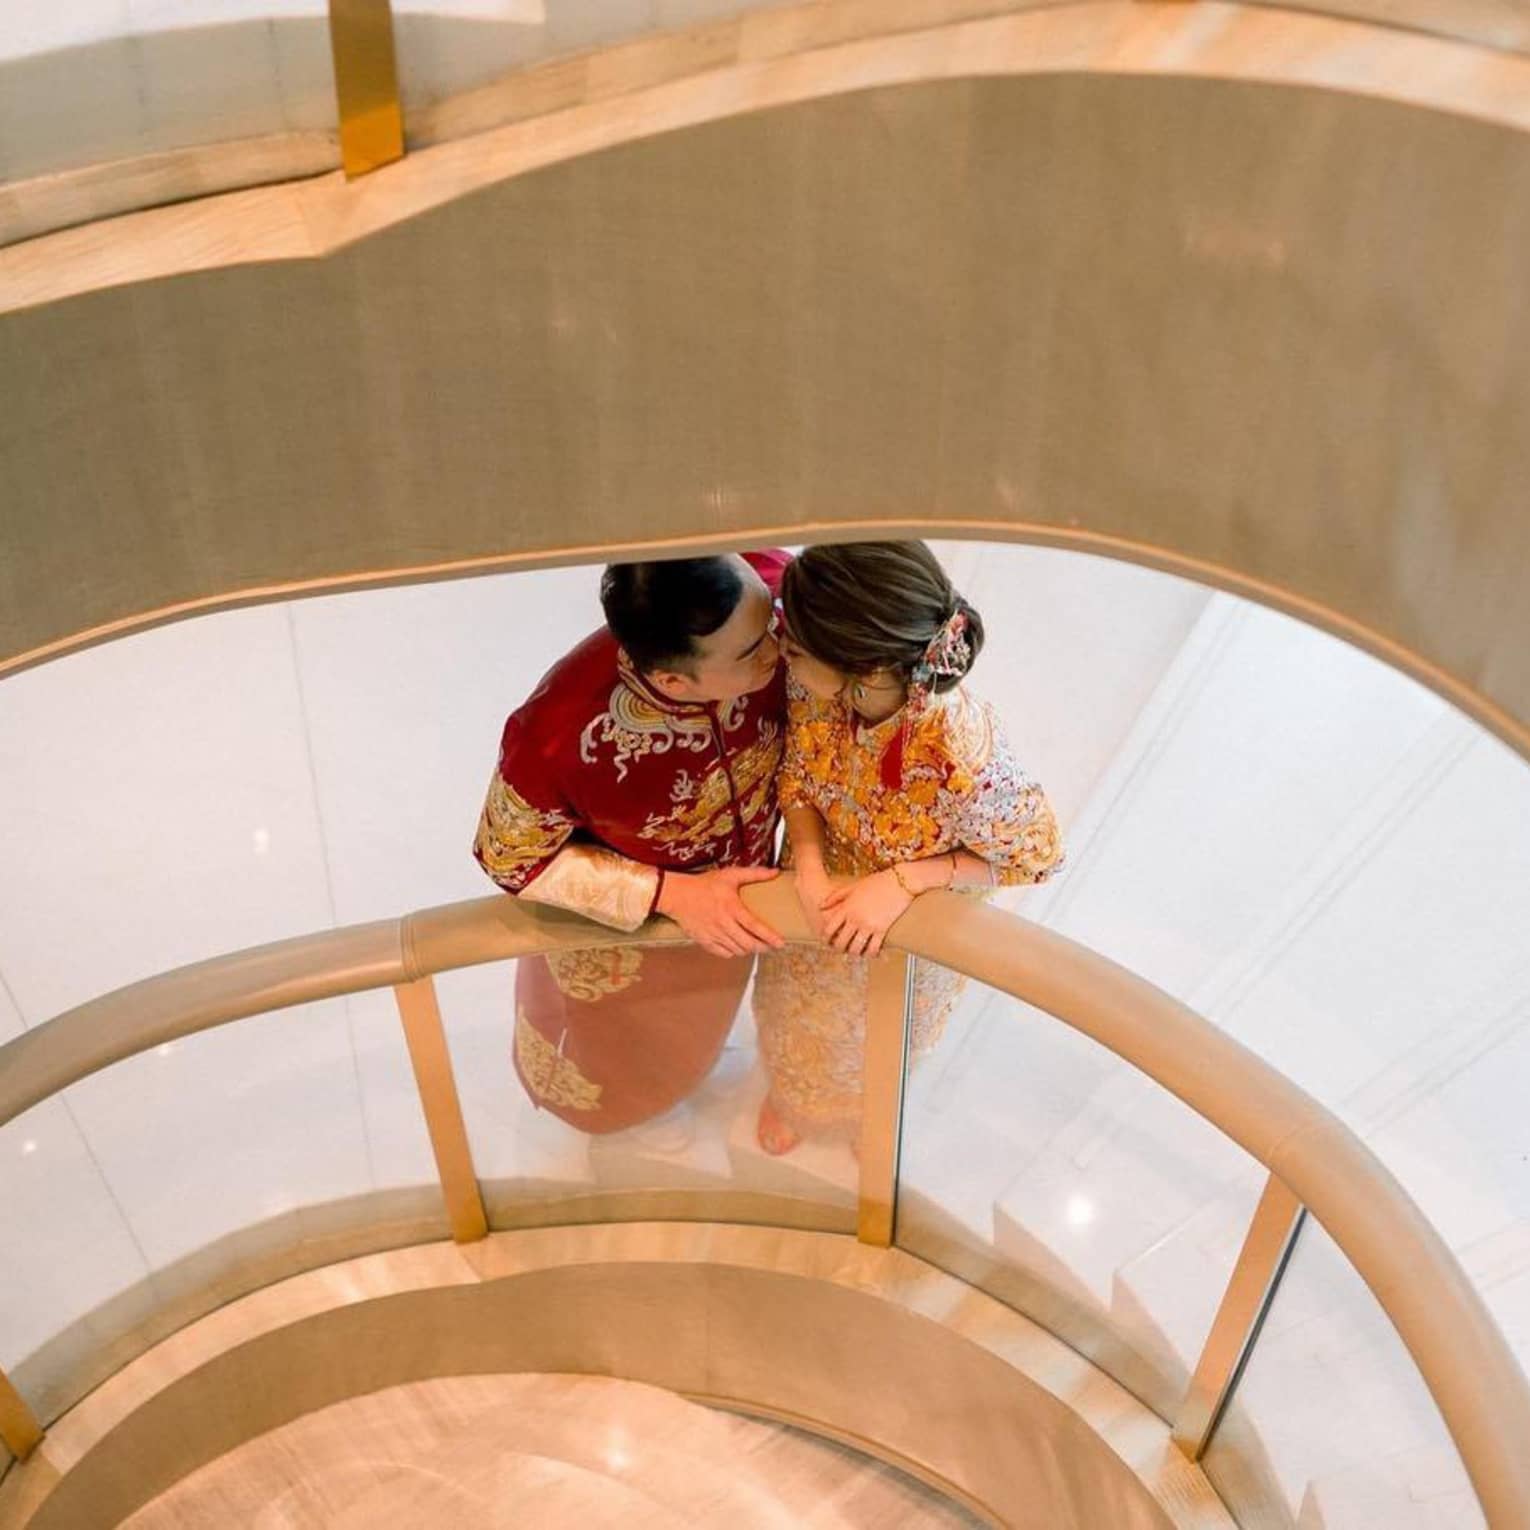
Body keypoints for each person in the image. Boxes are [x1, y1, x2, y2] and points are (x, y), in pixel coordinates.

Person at [752, 541, 1065, 1155]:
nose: (780, 650)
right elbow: (798, 777)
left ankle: (872, 1120)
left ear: (865, 667)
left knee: (883, 1039)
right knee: (791, 1015)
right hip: (812, 906)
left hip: (906, 927)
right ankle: (791, 1097)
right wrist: (810, 866)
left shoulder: (963, 752)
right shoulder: (814, 685)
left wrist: (905, 880)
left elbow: (1036, 856)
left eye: (793, 645)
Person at [472, 552, 789, 1134]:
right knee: (611, 1056)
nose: (779, 646)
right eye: (752, 651)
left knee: (704, 1023)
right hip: (631, 935)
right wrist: (671, 894)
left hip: (742, 901)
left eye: (770, 623)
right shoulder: (559, 732)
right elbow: (511, 856)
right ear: (672, 680)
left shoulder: (766, 590)